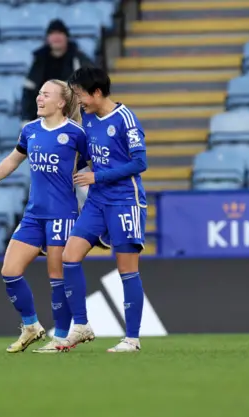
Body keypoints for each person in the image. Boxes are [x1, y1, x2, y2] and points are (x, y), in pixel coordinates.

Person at [0, 79, 88, 353]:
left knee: (56, 276)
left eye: (46, 95)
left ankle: (61, 339)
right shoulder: (30, 130)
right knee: (9, 271)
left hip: (63, 214)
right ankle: (32, 326)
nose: (39, 98)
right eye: (39, 93)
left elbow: (92, 169)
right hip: (34, 215)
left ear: (61, 103)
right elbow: (13, 159)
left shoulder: (76, 134)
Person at [58, 67, 148, 353]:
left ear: (96, 92)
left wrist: (98, 176)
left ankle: (131, 339)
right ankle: (82, 326)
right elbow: (89, 156)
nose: (78, 100)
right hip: (97, 201)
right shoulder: (88, 119)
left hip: (125, 200)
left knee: (126, 269)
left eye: (81, 94)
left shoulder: (125, 119)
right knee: (69, 256)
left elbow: (139, 163)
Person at [21, 19, 94, 123]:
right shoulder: (39, 60)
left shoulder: (79, 58)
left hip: (73, 116)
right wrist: (26, 119)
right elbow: (28, 91)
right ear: (47, 38)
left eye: (60, 33)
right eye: (52, 34)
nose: (56, 37)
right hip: (44, 118)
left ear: (66, 37)